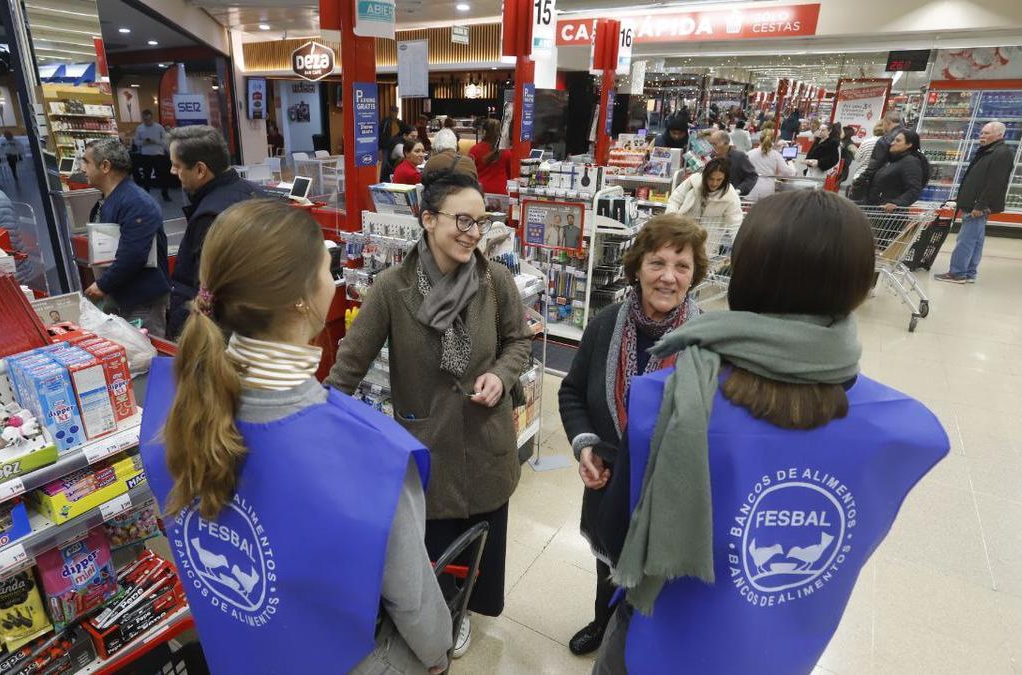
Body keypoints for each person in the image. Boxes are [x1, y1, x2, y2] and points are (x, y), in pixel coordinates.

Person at [591, 189, 949, 675]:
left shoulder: (663, 401)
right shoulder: (908, 431)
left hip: (660, 648)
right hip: (783, 655)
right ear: (860, 287)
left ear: (743, 275)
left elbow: (615, 540)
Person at [138, 200, 453, 675]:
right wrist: (438, 656)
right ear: (302, 299)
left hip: (238, 651)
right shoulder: (374, 456)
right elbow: (414, 604)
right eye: (327, 267)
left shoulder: (168, 408)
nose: (333, 278)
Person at [328, 170, 533, 659]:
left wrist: (501, 376)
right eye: (462, 220)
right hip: (427, 447)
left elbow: (518, 342)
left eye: (480, 222)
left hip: (487, 442)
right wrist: (317, 427)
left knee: (482, 544)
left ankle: (466, 613)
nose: (472, 232)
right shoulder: (393, 289)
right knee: (431, 550)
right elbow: (348, 367)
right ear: (427, 220)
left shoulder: (495, 279)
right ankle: (437, 617)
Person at [558, 214, 707, 656]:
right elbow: (571, 392)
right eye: (657, 263)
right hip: (611, 479)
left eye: (682, 266)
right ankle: (604, 625)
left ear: (695, 274)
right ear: (637, 267)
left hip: (671, 492)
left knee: (661, 577)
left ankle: (645, 644)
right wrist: (586, 444)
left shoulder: (707, 341)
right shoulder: (605, 324)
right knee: (606, 563)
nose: (668, 277)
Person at [166, 125, 262, 338]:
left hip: (222, 334)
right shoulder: (257, 193)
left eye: (177, 165)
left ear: (200, 170)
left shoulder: (211, 217)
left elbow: (206, 292)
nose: (173, 172)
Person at [80, 137, 170, 335]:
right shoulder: (112, 199)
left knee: (146, 354)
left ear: (105, 166)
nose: (81, 168)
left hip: (142, 301)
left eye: (85, 161)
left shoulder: (135, 202)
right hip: (123, 296)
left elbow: (134, 253)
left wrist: (104, 284)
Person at [936, 121, 1015, 284]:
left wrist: (980, 204)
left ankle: (957, 273)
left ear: (1000, 135)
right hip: (974, 203)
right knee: (976, 241)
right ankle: (969, 273)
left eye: (987, 133)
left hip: (977, 205)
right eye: (982, 133)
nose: (982, 136)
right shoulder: (989, 151)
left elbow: (996, 182)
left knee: (965, 240)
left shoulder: (1001, 153)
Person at [667, 158, 744, 233]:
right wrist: (672, 221)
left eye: (719, 179)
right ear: (705, 176)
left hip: (710, 240)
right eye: (711, 178)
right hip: (684, 233)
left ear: (725, 179)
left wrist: (739, 244)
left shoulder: (730, 195)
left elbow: (735, 223)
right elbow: (675, 200)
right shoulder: (693, 181)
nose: (714, 183)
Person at [865, 129, 930, 212]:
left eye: (898, 141)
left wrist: (896, 203)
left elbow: (914, 189)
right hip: (878, 210)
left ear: (909, 144)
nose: (892, 143)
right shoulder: (893, 161)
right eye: (893, 140)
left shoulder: (910, 162)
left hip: (890, 215)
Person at [850, 110, 905, 201]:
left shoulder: (884, 140)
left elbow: (874, 165)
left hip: (880, 185)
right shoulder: (910, 137)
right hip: (901, 186)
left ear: (887, 122)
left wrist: (859, 181)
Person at [745, 129, 795, 200]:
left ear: (760, 139)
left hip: (751, 190)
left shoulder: (749, 154)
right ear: (773, 140)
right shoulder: (775, 155)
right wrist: (791, 163)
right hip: (767, 191)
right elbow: (788, 173)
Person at [134, 109, 172, 201]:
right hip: (146, 155)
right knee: (146, 177)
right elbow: (136, 142)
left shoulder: (159, 127)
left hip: (158, 155)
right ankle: (146, 196)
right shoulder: (140, 128)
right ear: (143, 118)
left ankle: (165, 194)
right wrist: (144, 142)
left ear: (152, 118)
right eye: (145, 120)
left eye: (149, 119)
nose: (147, 121)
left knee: (163, 176)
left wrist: (156, 141)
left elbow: (165, 141)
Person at [469, 118, 512, 196]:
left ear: (484, 131)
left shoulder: (474, 150)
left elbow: (469, 174)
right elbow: (510, 174)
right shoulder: (506, 151)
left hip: (481, 192)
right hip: (501, 192)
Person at [709, 131, 759, 196]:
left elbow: (752, 176)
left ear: (726, 144)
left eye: (715, 144)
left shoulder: (739, 156)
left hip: (730, 197)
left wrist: (739, 190)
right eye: (711, 144)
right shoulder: (709, 157)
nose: (712, 147)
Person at [843, 122, 884, 193]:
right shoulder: (888, 142)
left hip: (860, 175)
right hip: (878, 178)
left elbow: (857, 158)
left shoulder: (866, 141)